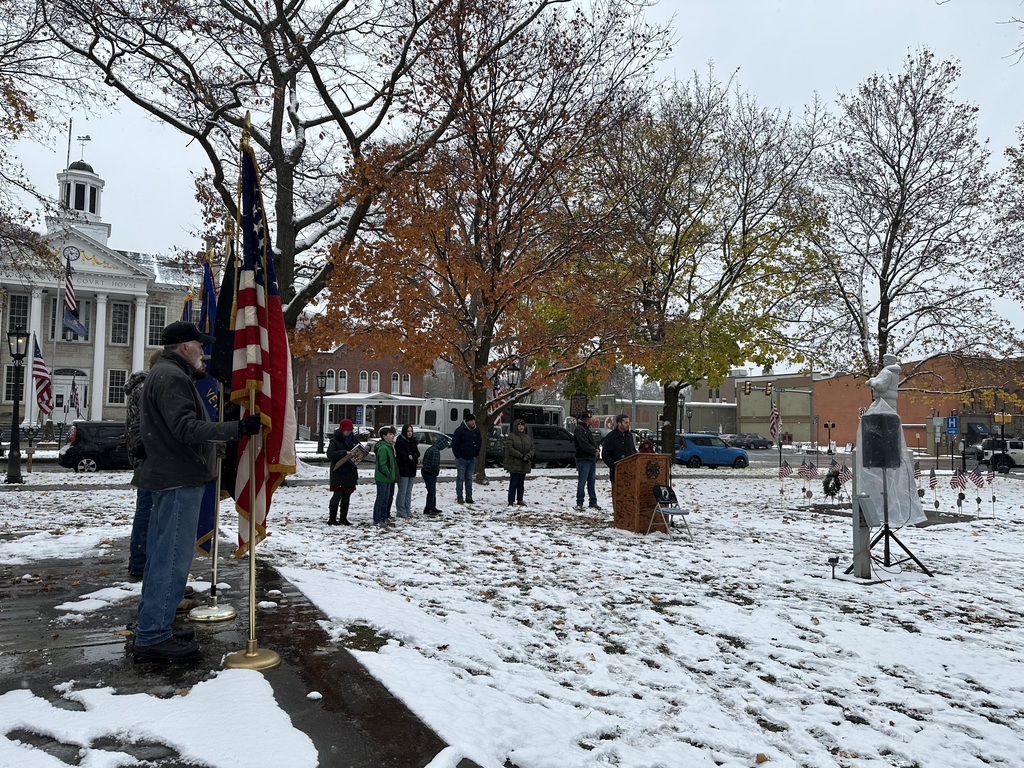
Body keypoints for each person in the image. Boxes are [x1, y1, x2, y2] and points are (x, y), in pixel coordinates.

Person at [134, 321, 261, 663]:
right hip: (177, 478)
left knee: (165, 555)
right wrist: (237, 428)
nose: (203, 350)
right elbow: (185, 428)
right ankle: (152, 636)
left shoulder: (166, 373)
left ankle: (154, 624)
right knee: (171, 558)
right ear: (183, 347)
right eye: (198, 344)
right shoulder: (171, 376)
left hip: (170, 475)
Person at [326, 419, 361, 525]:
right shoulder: (334, 440)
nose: (348, 432)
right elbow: (330, 454)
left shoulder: (354, 439)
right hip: (339, 471)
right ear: (341, 430)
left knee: (347, 495)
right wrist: (344, 452)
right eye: (346, 430)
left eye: (350, 430)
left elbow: (358, 449)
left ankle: (343, 518)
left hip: (350, 471)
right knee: (337, 494)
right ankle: (332, 518)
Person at [451, 411, 482, 504]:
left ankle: (469, 497)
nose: (473, 422)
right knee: (460, 478)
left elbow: (479, 442)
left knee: (469, 478)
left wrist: (476, 453)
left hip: (471, 458)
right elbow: (454, 444)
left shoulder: (476, 431)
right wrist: (458, 455)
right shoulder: (459, 431)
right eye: (471, 420)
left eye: (474, 420)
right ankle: (460, 497)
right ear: (467, 421)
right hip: (461, 459)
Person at [572, 410, 601, 510]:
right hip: (583, 458)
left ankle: (593, 501)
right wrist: (594, 451)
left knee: (591, 481)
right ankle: (580, 502)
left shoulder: (586, 430)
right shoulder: (580, 429)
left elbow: (592, 442)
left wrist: (596, 449)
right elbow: (584, 444)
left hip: (590, 459)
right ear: (587, 419)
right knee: (582, 481)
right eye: (590, 418)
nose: (591, 420)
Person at [503, 418, 534, 507]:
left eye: (522, 425)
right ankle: (511, 501)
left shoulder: (527, 437)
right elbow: (510, 449)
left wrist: (528, 456)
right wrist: (521, 456)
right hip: (514, 463)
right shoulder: (511, 436)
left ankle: (520, 499)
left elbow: (532, 448)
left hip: (524, 464)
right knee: (514, 483)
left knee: (521, 484)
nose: (521, 427)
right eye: (519, 425)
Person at [601, 413, 636, 486]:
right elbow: (605, 455)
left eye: (628, 422)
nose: (628, 425)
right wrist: (614, 466)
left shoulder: (629, 436)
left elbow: (633, 452)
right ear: (619, 424)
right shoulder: (611, 437)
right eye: (625, 423)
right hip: (617, 473)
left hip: (630, 473)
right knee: (618, 494)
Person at [373, 426, 398, 526]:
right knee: (381, 498)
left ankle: (384, 517)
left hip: (388, 477)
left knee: (386, 498)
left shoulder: (389, 446)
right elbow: (382, 464)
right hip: (383, 477)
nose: (392, 436)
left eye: (392, 434)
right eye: (390, 434)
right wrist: (388, 473)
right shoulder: (383, 448)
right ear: (384, 436)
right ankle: (378, 518)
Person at [394, 423, 420, 518]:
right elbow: (403, 456)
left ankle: (407, 509)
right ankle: (401, 511)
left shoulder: (413, 441)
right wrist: (411, 457)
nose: (409, 433)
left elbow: (417, 453)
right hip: (403, 470)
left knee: (409, 491)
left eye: (411, 431)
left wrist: (412, 456)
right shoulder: (400, 441)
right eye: (408, 431)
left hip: (412, 469)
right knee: (402, 491)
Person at [421, 434, 450, 516]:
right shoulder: (436, 451)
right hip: (430, 473)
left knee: (431, 491)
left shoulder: (430, 449)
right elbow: (435, 464)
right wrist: (436, 472)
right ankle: (429, 508)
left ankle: (432, 507)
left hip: (425, 471)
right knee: (431, 491)